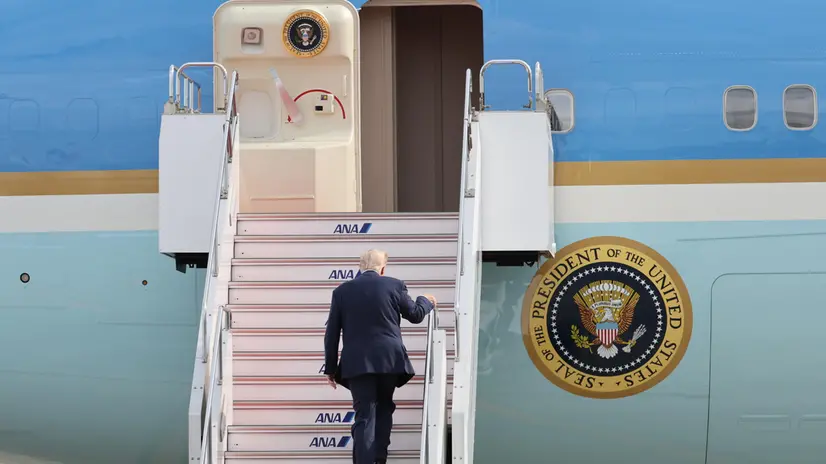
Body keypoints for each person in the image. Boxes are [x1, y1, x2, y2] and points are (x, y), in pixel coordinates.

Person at [323, 249, 437, 464]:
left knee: (365, 414)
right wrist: (426, 300)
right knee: (384, 408)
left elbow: (332, 334)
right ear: (383, 269)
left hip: (357, 364)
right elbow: (415, 315)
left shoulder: (342, 291)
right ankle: (379, 459)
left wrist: (330, 368)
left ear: (360, 267)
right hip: (390, 361)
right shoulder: (394, 285)